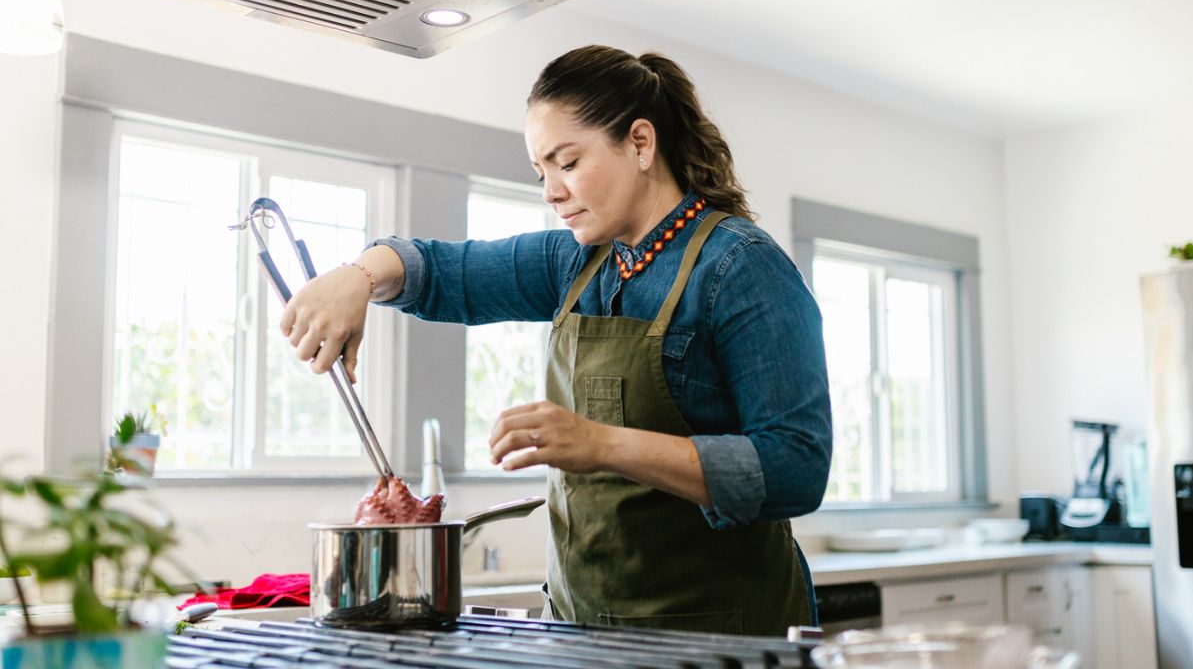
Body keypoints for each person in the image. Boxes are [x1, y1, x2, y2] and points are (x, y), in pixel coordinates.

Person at [280, 45, 833, 636]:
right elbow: (439, 271)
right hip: (581, 634)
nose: (551, 191)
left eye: (566, 162)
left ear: (641, 144)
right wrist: (356, 278)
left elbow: (795, 467)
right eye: (541, 173)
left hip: (724, 642)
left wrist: (600, 444)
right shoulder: (575, 263)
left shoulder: (741, 267)